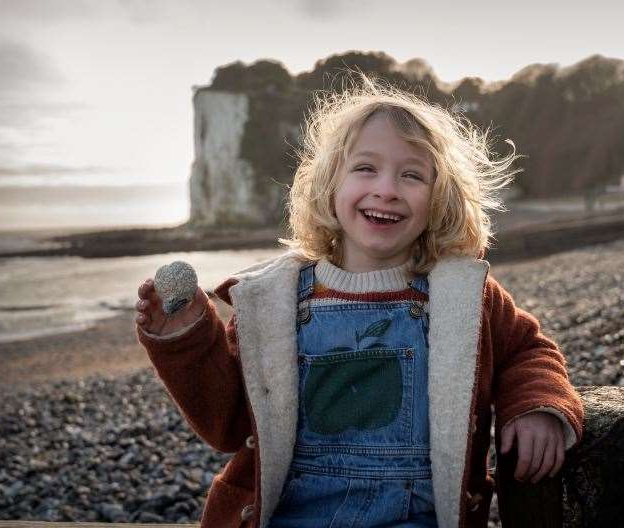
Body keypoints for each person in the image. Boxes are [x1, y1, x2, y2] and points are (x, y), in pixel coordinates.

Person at [135, 76, 584, 528]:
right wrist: (188, 340)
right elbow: (225, 424)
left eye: (411, 175)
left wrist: (536, 406)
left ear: (439, 198)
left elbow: (528, 350)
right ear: (330, 185)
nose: (386, 188)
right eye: (365, 168)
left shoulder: (463, 296)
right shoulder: (273, 300)